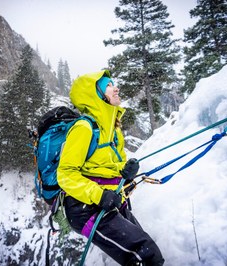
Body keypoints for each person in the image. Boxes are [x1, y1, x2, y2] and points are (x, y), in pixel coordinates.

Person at [57, 70, 164, 265]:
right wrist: (99, 195)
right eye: (107, 85)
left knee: (147, 251)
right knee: (147, 254)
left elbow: (106, 164)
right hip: (85, 208)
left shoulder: (113, 130)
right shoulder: (84, 128)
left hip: (111, 199)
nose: (116, 88)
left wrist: (124, 171)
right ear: (94, 94)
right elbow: (65, 174)